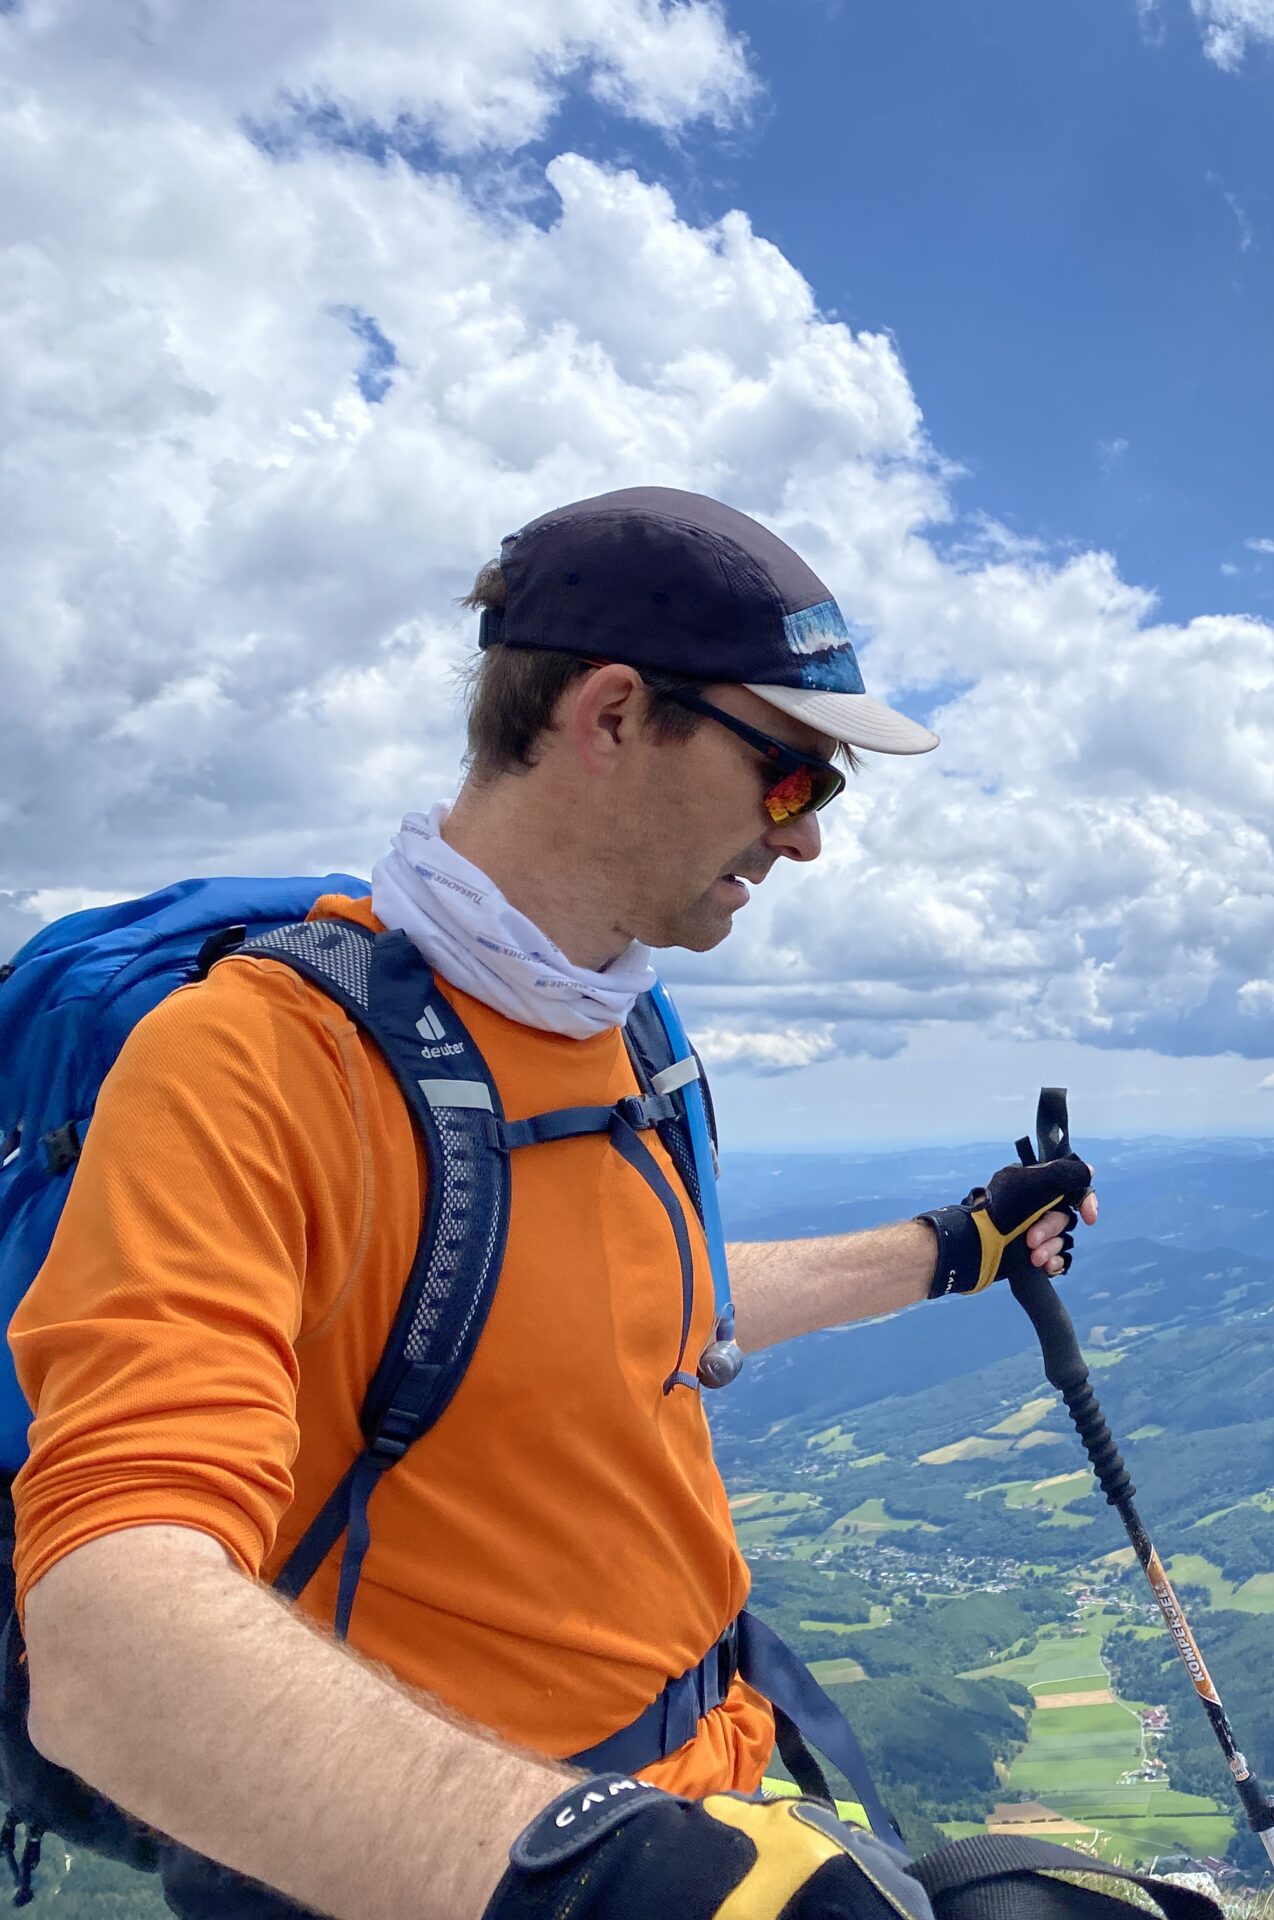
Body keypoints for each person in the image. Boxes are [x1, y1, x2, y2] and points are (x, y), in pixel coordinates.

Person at [7, 489, 1096, 1920]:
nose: (808, 841)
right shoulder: (256, 1062)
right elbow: (105, 1637)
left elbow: (649, 1311)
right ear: (613, 715)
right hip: (456, 1870)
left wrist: (955, 1247)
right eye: (793, 779)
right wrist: (610, 1873)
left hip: (715, 1784)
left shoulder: (628, 1036)